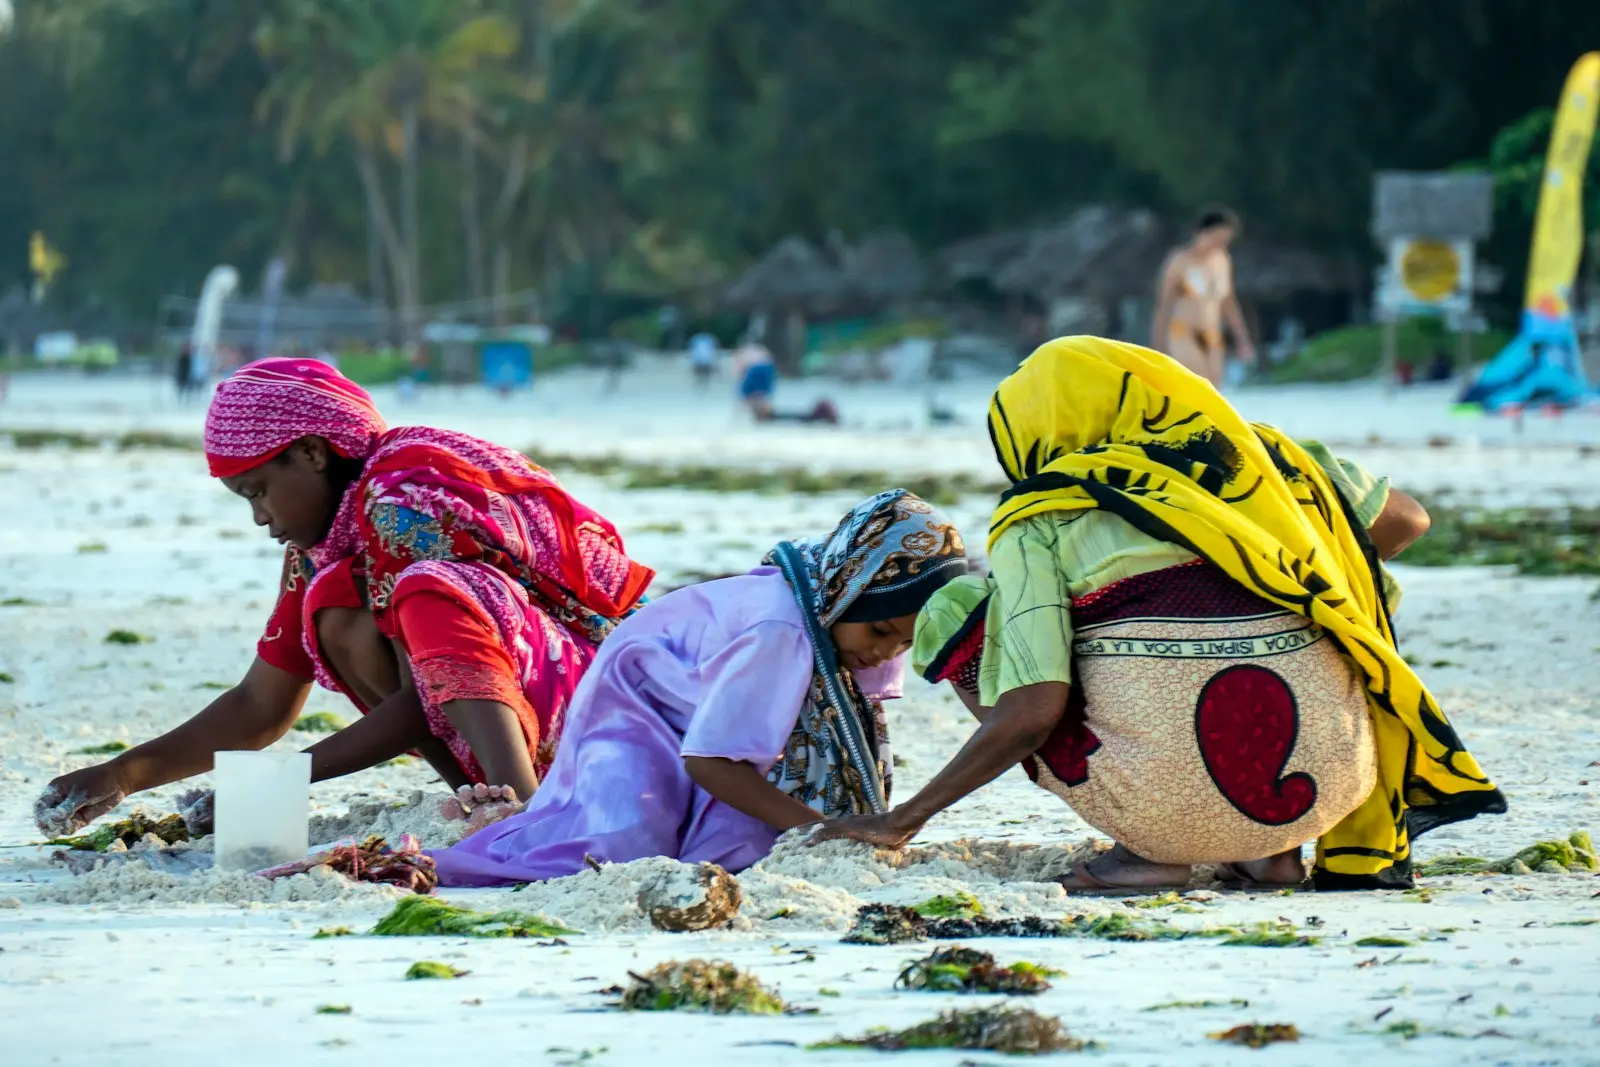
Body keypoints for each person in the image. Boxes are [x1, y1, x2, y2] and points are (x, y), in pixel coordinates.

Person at [817, 337, 1505, 891]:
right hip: (1329, 790)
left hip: (1165, 811)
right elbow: (1408, 520)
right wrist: (1275, 554)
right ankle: (1273, 852)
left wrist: (903, 818)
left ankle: (1149, 850)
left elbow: (1033, 709)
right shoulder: (1266, 460)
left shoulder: (1045, 512)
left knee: (965, 608)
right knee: (1326, 587)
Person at [35, 358, 654, 838]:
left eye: (258, 491)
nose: (259, 517)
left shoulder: (403, 503)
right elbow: (260, 703)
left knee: (425, 591)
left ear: (311, 453)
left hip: (611, 709)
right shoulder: (325, 548)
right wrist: (123, 775)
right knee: (335, 609)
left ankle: (520, 807)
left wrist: (276, 782)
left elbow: (426, 699)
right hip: (548, 707)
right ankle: (495, 795)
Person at [430, 489, 968, 885]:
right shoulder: (781, 630)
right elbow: (711, 763)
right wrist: (820, 831)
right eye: (878, 630)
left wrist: (818, 825)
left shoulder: (819, 609)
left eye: (901, 645)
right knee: (619, 848)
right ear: (849, 591)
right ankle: (487, 843)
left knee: (749, 834)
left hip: (694, 716)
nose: (882, 654)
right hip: (635, 714)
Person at [1152, 206, 1256, 387]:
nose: (1220, 244)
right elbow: (1164, 304)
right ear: (1202, 232)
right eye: (1217, 238)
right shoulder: (1179, 261)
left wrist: (1242, 338)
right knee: (1197, 382)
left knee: (1214, 387)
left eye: (1225, 240)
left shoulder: (1222, 260)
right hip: (1183, 332)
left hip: (1212, 333)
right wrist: (1157, 344)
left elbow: (1228, 302)